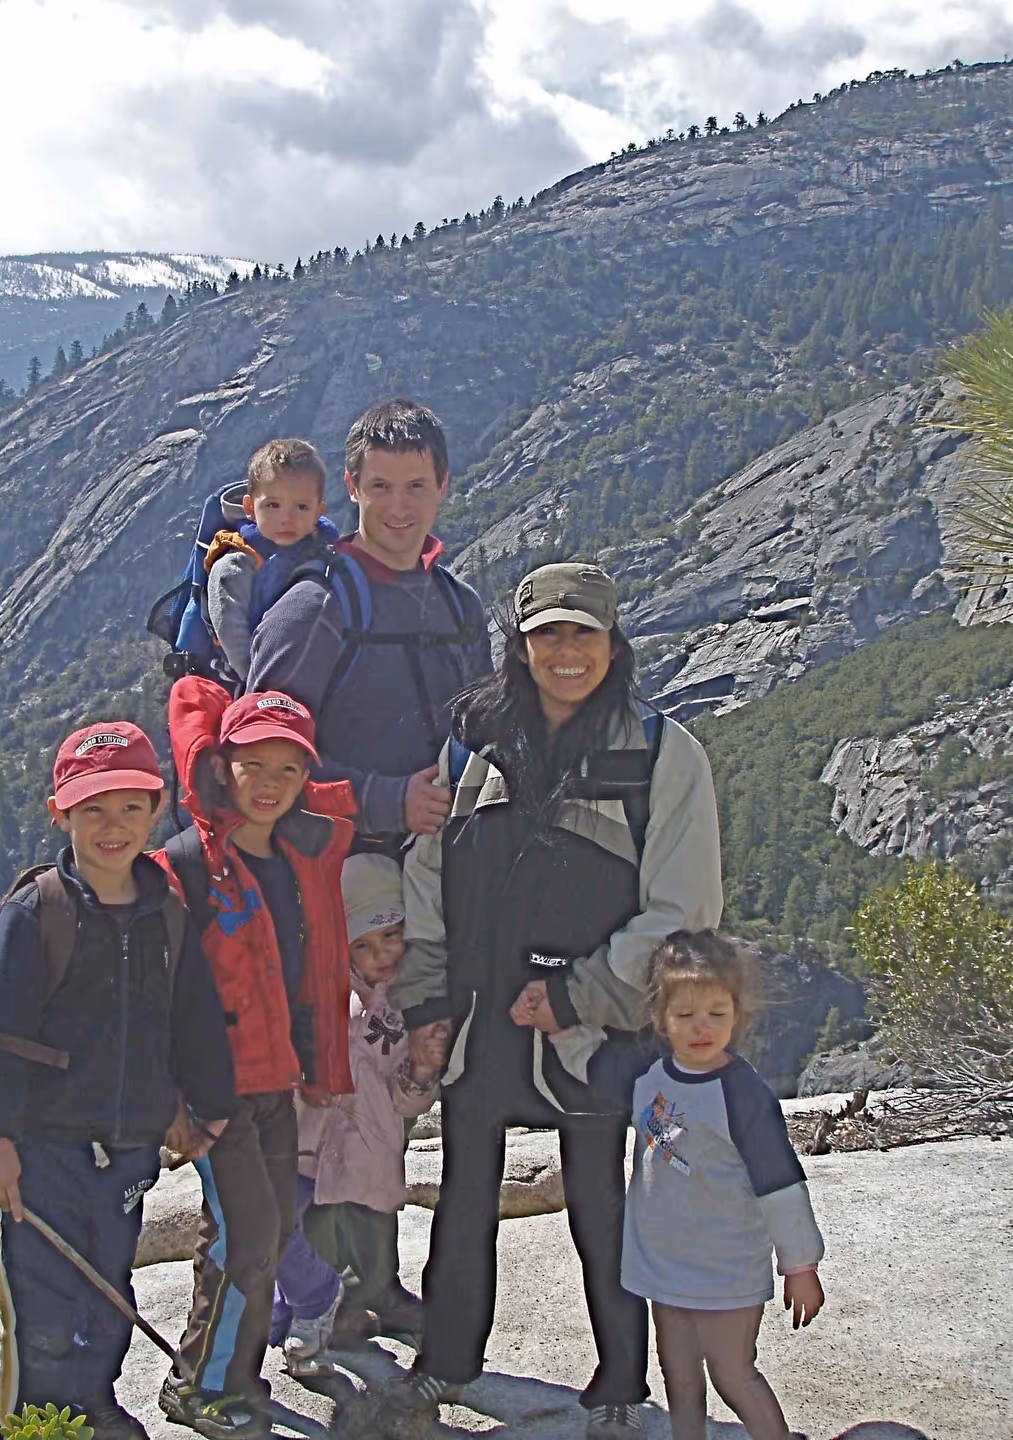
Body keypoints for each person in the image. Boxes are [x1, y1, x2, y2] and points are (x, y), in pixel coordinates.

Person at [385, 561, 725, 1440]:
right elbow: (428, 877)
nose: (565, 653)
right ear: (521, 645)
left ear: (613, 643)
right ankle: (447, 1363)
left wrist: (579, 993)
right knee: (463, 1195)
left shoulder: (660, 752)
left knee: (602, 1199)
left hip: (591, 1028)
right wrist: (426, 1003)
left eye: (583, 634)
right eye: (547, 636)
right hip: (478, 1013)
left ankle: (619, 1381)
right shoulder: (474, 745)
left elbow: (684, 906)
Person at [0, 722, 237, 1440]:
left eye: (127, 809)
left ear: (157, 808)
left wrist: (200, 1108)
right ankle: (35, 1424)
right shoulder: (36, 914)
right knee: (42, 1300)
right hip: (44, 1146)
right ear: (61, 814)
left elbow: (190, 1019)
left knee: (109, 1286)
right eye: (92, 810)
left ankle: (93, 1404)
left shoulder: (167, 913)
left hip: (127, 1149)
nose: (111, 827)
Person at [157, 680, 358, 1437]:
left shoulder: (297, 860)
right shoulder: (184, 870)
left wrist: (320, 1068)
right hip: (216, 1093)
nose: (270, 785)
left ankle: (227, 1376)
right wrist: (172, 1102)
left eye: (289, 770)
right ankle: (204, 1387)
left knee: (263, 1237)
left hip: (275, 1083)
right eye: (253, 765)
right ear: (223, 765)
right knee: (246, 1237)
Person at [589, 931, 826, 1440]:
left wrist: (800, 1265)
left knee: (732, 1373)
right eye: (686, 1015)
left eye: (716, 1014)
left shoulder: (743, 1094)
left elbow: (780, 1183)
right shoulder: (650, 1080)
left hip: (726, 1267)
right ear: (660, 1018)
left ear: (736, 1015)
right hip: (664, 1263)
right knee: (678, 1373)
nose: (702, 1028)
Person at [246, 398, 493, 842]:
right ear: (352, 486)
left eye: (416, 486)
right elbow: (257, 762)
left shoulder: (460, 605)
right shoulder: (314, 607)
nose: (398, 507)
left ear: (443, 486)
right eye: (380, 486)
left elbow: (485, 732)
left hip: (455, 858)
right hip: (344, 868)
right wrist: (389, 801)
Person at [278, 853, 444, 1365]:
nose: (382, 955)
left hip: (374, 1146)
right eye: (364, 945)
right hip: (316, 1148)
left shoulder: (412, 1002)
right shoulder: (320, 991)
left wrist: (421, 1071)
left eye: (392, 936)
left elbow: (406, 1098)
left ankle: (381, 1295)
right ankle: (332, 1307)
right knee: (319, 1228)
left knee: (374, 1227)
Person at [206, 438, 337, 682]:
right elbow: (230, 631)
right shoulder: (236, 563)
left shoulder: (326, 550)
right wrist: (255, 681)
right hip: (255, 679)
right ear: (250, 508)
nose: (286, 518)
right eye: (273, 505)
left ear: (319, 512)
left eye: (301, 507)